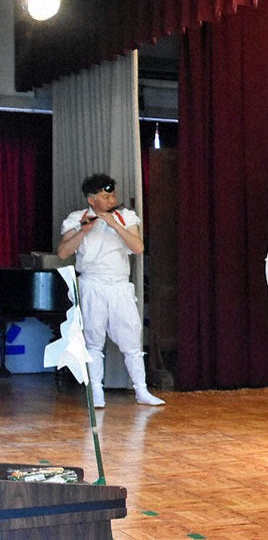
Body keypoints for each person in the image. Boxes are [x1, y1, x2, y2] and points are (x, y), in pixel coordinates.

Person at [56, 174, 164, 407]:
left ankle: (141, 391)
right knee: (93, 342)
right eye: (106, 196)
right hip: (92, 284)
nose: (112, 198)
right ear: (92, 200)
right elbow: (63, 253)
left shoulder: (126, 217)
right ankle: (97, 392)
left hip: (119, 285)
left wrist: (115, 225)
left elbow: (137, 248)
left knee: (132, 340)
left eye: (113, 194)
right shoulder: (76, 219)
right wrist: (83, 231)